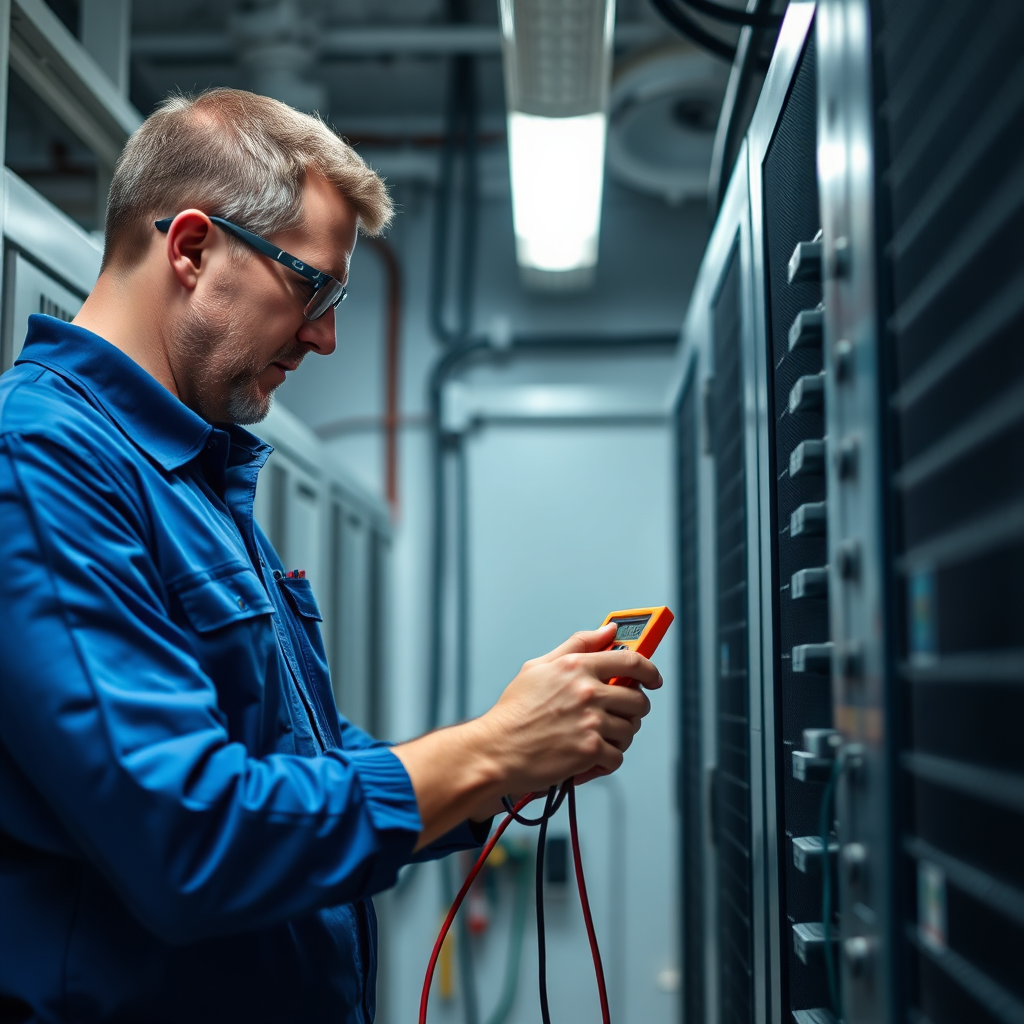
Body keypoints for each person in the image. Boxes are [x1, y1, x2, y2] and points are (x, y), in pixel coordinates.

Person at [0, 88, 661, 1023]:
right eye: (312, 286)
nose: (325, 335)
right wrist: (485, 751)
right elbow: (188, 835)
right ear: (191, 249)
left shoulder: (189, 472)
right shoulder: (41, 460)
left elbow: (300, 759)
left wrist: (509, 765)